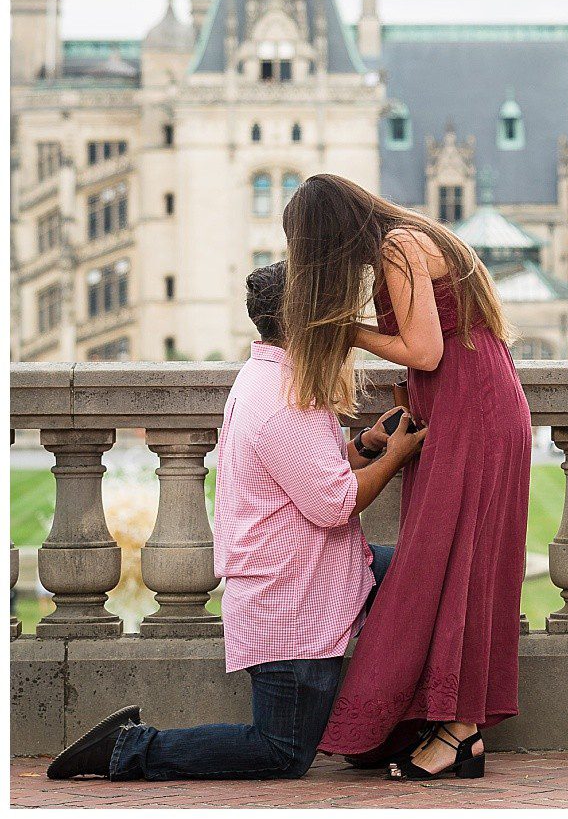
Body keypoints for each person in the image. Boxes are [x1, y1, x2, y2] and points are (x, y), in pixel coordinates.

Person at [47, 261, 424, 781]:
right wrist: (396, 457)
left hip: (312, 573)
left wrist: (365, 446)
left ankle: (399, 733)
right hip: (291, 596)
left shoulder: (275, 375)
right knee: (280, 752)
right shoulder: (281, 397)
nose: (340, 319)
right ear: (302, 319)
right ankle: (126, 749)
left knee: (418, 584)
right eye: (327, 307)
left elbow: (311, 471)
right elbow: (334, 503)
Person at [282, 174, 533, 781]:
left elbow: (426, 351)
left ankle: (459, 729)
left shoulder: (398, 246)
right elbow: (437, 348)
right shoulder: (407, 237)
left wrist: (342, 331)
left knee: (451, 565)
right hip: (469, 402)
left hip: (472, 408)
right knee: (456, 565)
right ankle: (454, 728)